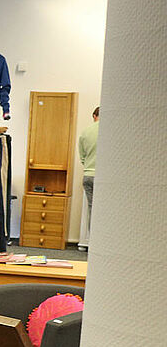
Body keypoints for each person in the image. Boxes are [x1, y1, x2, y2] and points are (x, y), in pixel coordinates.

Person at [78, 106, 98, 251]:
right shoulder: (110, 130)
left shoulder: (85, 132)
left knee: (93, 210)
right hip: (103, 178)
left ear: (94, 116)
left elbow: (83, 157)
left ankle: (93, 244)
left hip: (88, 176)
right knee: (107, 211)